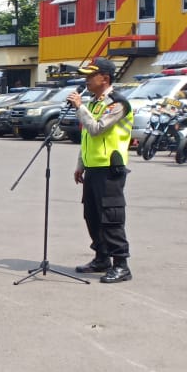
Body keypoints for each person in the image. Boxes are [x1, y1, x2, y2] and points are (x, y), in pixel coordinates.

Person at [69, 57, 133, 284]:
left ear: (104, 78)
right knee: (92, 215)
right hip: (93, 168)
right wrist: (81, 165)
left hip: (109, 169)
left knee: (110, 217)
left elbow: (96, 128)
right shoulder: (94, 103)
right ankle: (102, 258)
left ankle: (121, 265)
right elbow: (87, 137)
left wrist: (79, 107)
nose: (86, 80)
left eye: (90, 76)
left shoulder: (117, 104)